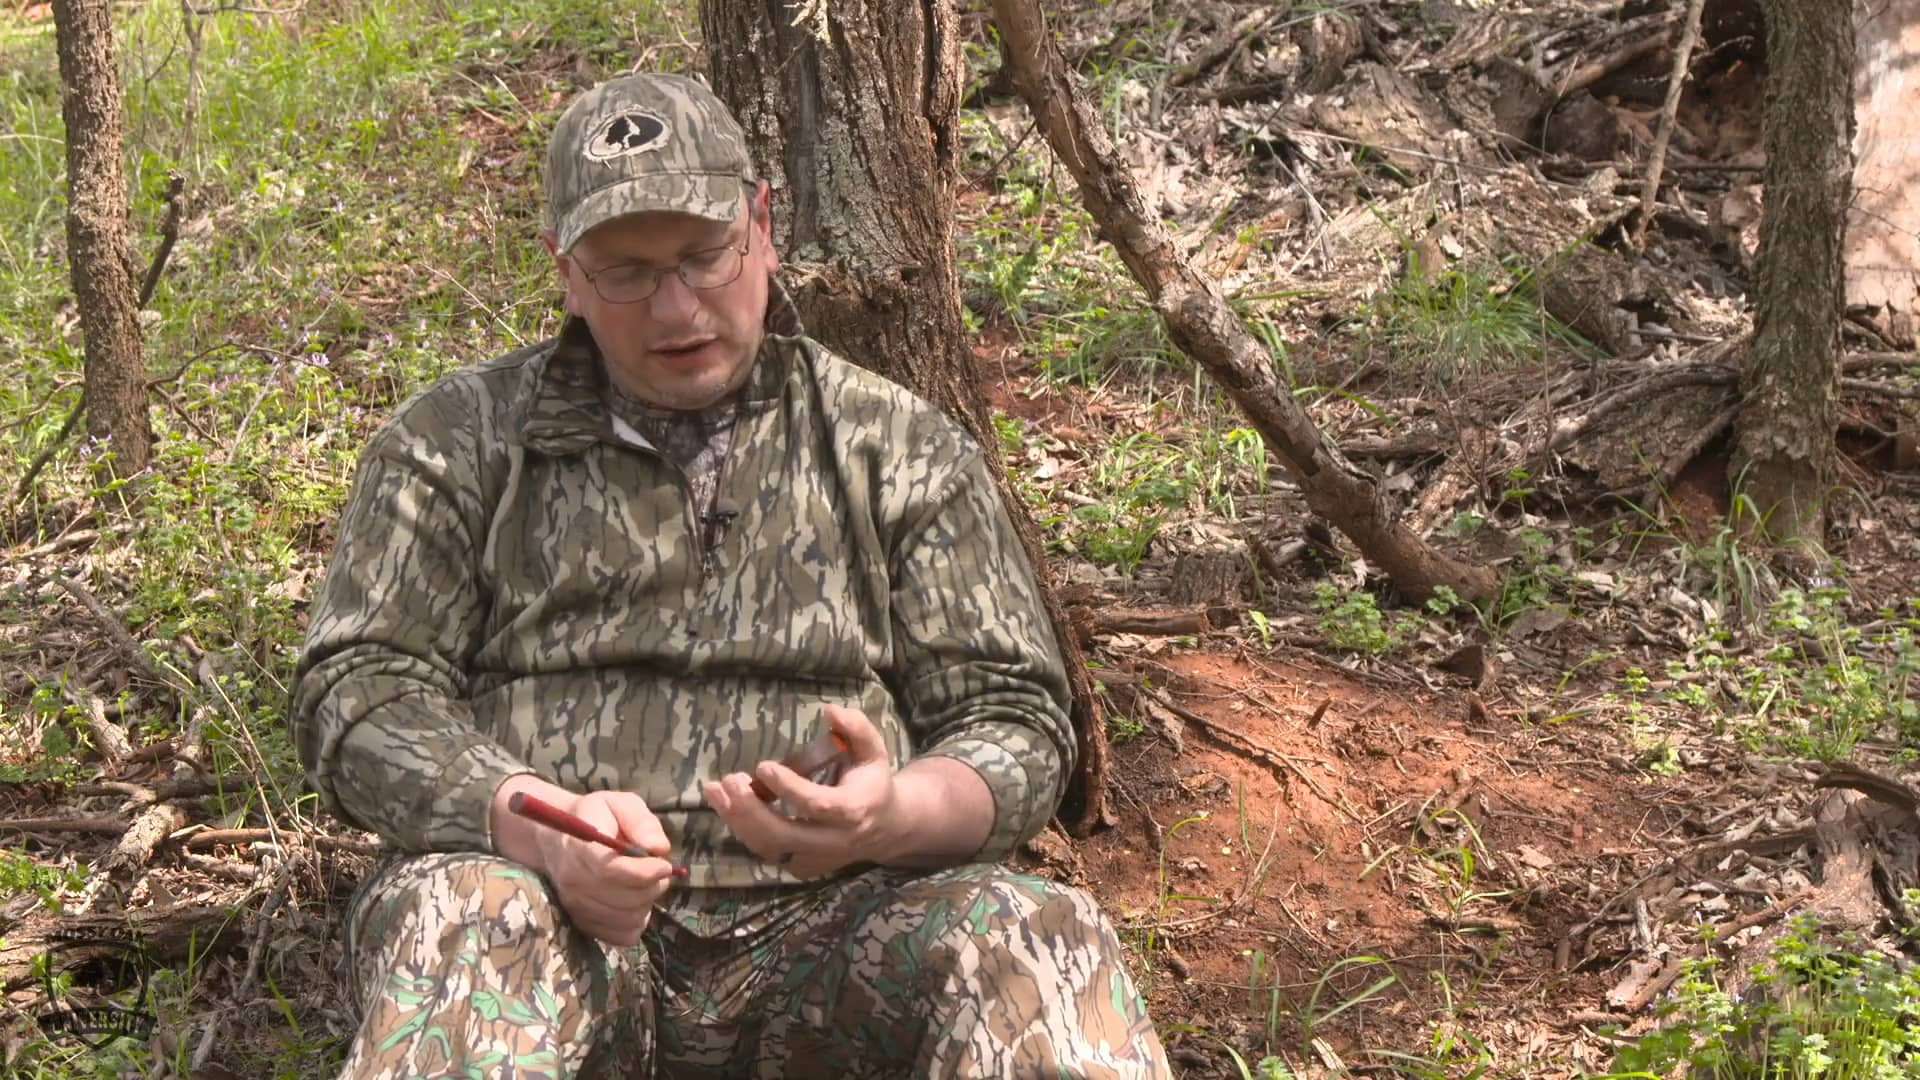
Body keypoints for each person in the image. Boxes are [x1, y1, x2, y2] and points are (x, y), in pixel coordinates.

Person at [291, 70, 1172, 1079]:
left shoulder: (894, 445)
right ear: (566, 272)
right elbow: (356, 694)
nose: (676, 307)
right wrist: (531, 823)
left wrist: (896, 813)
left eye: (705, 255)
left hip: (844, 928)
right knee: (466, 918)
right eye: (625, 271)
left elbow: (1016, 717)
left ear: (761, 226)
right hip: (558, 926)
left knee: (1036, 935)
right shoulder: (455, 445)